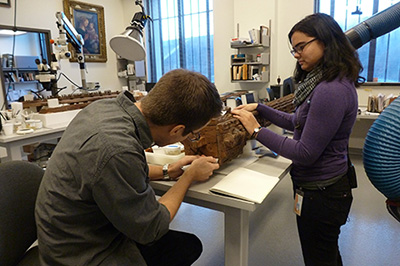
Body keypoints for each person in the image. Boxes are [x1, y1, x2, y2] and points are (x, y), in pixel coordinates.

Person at [35, 69, 223, 265]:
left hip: (74, 231)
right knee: (179, 248)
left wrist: (168, 170)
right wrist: (188, 176)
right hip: (81, 253)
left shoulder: (104, 109)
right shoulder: (117, 149)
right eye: (190, 135)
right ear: (177, 130)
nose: (189, 139)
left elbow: (120, 172)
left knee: (187, 246)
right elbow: (152, 228)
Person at [231, 13, 363, 266]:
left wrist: (256, 130)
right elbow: (297, 122)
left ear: (326, 41)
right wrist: (260, 108)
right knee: (325, 253)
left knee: (319, 257)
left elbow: (305, 152)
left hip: (323, 192)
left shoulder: (330, 89)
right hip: (320, 189)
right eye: (294, 49)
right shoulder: (321, 82)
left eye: (302, 47)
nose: (297, 54)